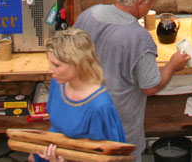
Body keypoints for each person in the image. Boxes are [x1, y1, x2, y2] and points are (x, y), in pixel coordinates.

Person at [73, 0, 189, 162]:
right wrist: (172, 65)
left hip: (81, 118)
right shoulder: (139, 37)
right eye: (151, 1)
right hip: (118, 129)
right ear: (141, 2)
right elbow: (150, 86)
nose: (152, 6)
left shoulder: (89, 14)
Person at [32, 29, 126, 162]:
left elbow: (108, 157)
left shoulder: (100, 107)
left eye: (56, 65)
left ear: (77, 64)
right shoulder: (58, 83)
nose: (50, 70)